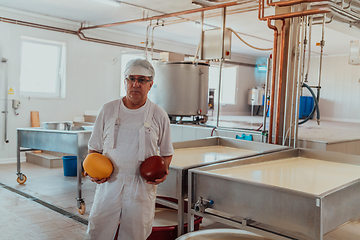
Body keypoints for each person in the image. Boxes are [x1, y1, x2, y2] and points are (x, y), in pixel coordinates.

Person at [85, 58, 174, 240]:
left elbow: (166, 153)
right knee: (97, 231)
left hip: (141, 187)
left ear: (150, 84)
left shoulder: (159, 114)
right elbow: (94, 149)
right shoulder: (108, 110)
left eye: (142, 80)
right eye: (130, 78)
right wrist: (93, 171)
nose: (135, 84)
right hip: (109, 184)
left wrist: (162, 171)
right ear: (125, 81)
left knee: (135, 234)